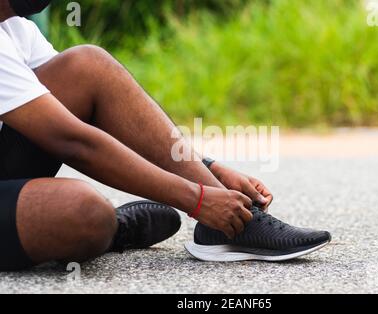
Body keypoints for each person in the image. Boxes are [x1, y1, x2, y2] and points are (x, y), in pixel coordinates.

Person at [0, 0, 330, 270]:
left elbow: (82, 104)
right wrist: (197, 199)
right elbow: (72, 140)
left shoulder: (15, 29)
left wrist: (208, 171)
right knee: (85, 214)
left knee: (88, 65)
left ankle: (234, 227)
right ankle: (112, 229)